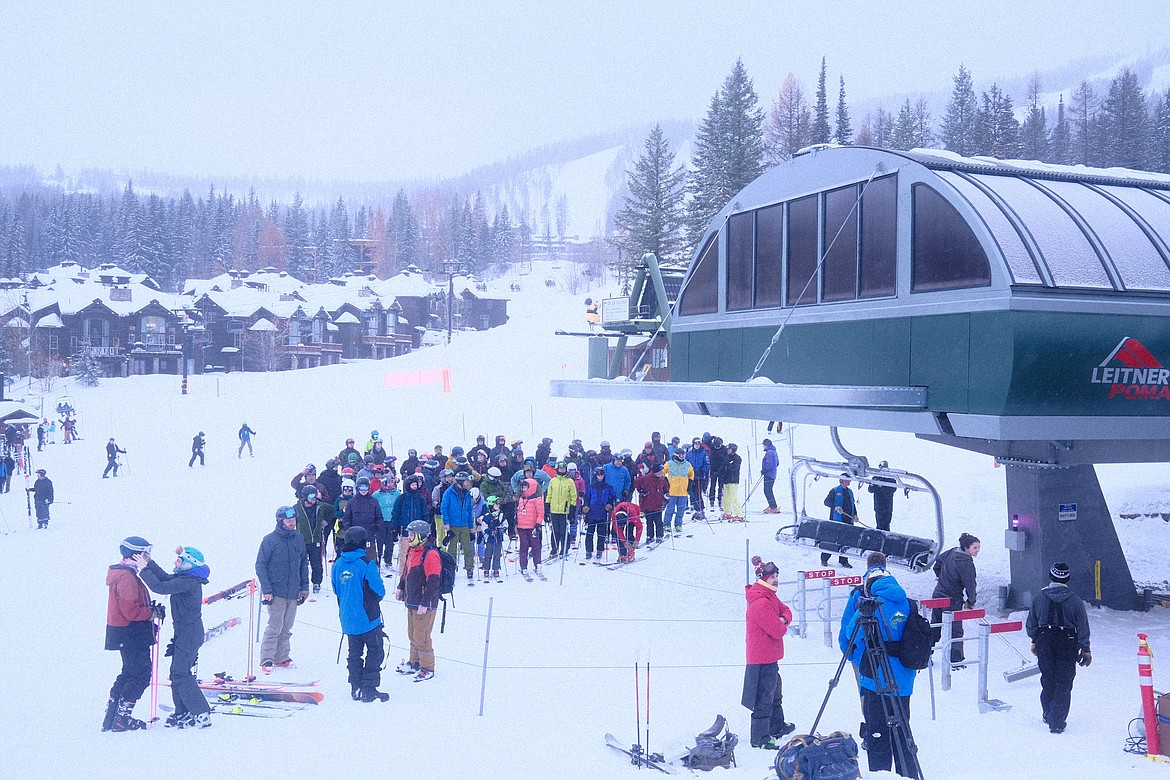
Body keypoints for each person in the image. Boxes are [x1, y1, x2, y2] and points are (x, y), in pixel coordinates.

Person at [839, 552, 919, 777]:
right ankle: (907, 774)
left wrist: (860, 660)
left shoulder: (865, 600)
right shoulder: (906, 601)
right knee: (903, 731)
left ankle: (881, 774)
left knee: (877, 732)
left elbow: (848, 635)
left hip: (875, 676)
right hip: (903, 678)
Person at [138, 545, 212, 728]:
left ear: (188, 564)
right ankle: (183, 712)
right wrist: (149, 562)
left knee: (180, 673)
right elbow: (164, 578)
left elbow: (160, 587)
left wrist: (143, 569)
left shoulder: (189, 582)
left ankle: (201, 713)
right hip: (185, 632)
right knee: (177, 673)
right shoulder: (185, 578)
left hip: (189, 632)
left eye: (179, 561)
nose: (175, 563)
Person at [1026, 562, 1092, 734]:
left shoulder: (1039, 597)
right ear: (1067, 579)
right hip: (1067, 641)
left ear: (1050, 577)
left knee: (1048, 678)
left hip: (1044, 640)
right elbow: (1083, 626)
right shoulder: (1075, 600)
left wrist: (1034, 640)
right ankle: (1057, 721)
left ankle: (1048, 712)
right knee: (1064, 681)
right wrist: (1086, 649)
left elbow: (1032, 622)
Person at [103, 536, 157, 732]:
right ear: (135, 554)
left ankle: (112, 715)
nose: (148, 556)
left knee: (130, 672)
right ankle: (122, 717)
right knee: (141, 674)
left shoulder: (127, 573)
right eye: (145, 553)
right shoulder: (127, 577)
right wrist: (151, 613)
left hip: (127, 632)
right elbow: (130, 611)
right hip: (130, 633)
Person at [333, 526, 389, 702]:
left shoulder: (337, 564)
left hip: (347, 618)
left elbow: (336, 589)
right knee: (375, 651)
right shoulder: (366, 563)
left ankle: (355, 687)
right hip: (368, 618)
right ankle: (368, 688)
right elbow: (379, 590)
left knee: (354, 653)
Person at [742, 561, 795, 749]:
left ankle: (776, 726)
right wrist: (781, 621)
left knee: (775, 693)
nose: (776, 580)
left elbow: (787, 611)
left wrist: (782, 618)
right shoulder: (760, 603)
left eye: (777, 576)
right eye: (773, 577)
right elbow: (778, 630)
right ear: (764, 579)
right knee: (763, 698)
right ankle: (760, 737)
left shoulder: (770, 597)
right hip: (761, 658)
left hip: (770, 656)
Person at [255, 506, 309, 673]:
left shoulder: (299, 539)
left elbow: (303, 565)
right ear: (280, 522)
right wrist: (267, 589)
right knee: (274, 627)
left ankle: (282, 657)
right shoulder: (269, 540)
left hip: (293, 591)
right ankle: (267, 659)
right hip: (276, 591)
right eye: (289, 520)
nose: (292, 522)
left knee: (287, 627)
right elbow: (260, 566)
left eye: (294, 519)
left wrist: (304, 587)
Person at [396, 519, 441, 681]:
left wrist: (425, 602)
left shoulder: (431, 554)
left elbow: (434, 581)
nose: (408, 537)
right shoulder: (412, 550)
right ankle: (414, 662)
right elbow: (406, 572)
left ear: (420, 536)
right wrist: (401, 587)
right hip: (412, 600)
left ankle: (427, 667)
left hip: (424, 604)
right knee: (412, 634)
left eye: (411, 534)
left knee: (422, 637)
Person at [931, 532, 980, 665]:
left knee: (935, 625)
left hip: (937, 595)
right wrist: (971, 601)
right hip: (952, 599)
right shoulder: (966, 562)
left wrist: (940, 576)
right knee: (955, 629)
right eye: (975, 548)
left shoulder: (952, 552)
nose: (977, 551)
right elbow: (970, 584)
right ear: (966, 547)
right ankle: (956, 658)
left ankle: (926, 654)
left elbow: (938, 562)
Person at [295, 485, 334, 594]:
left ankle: (316, 583)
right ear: (305, 496)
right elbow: (286, 517)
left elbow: (332, 510)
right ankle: (301, 584)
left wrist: (325, 521)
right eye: (312, 495)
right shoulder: (296, 508)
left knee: (316, 563)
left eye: (315, 495)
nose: (314, 498)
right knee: (301, 564)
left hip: (316, 540)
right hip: (302, 541)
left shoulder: (320, 506)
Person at [441, 471, 478, 582]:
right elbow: (444, 508)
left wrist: (471, 525)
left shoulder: (467, 493)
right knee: (452, 548)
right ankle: (451, 568)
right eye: (466, 481)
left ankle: (469, 568)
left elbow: (469, 510)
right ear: (461, 481)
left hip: (465, 525)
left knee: (468, 548)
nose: (468, 483)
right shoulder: (449, 492)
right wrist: (446, 522)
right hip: (453, 525)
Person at [581, 466, 617, 561]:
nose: (600, 477)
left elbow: (612, 498)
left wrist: (609, 505)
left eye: (602, 475)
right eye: (598, 475)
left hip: (603, 513)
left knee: (601, 533)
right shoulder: (591, 486)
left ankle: (600, 550)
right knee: (590, 533)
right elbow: (587, 498)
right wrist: (585, 506)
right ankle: (588, 550)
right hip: (592, 513)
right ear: (595, 475)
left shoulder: (608, 487)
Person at [821, 474, 857, 568]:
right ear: (842, 481)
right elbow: (826, 502)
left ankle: (843, 560)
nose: (849, 482)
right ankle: (824, 558)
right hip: (836, 519)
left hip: (848, 519)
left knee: (845, 541)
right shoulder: (835, 490)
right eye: (848, 480)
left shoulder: (850, 491)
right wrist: (835, 507)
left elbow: (852, 504)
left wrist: (855, 515)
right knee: (832, 540)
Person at [516, 476, 545, 576]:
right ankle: (523, 566)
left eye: (525, 487)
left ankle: (538, 564)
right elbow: (519, 510)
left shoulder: (537, 498)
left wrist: (538, 524)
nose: (523, 489)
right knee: (523, 546)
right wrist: (516, 522)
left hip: (532, 527)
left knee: (535, 546)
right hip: (522, 526)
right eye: (522, 487)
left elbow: (540, 513)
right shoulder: (522, 498)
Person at [634, 461, 668, 545]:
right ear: (656, 471)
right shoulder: (646, 478)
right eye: (660, 471)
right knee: (649, 521)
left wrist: (667, 494)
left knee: (658, 521)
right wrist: (641, 490)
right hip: (647, 504)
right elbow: (636, 483)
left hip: (658, 504)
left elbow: (666, 487)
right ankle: (650, 536)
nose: (661, 473)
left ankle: (659, 535)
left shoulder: (662, 478)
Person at [546, 462, 575, 558]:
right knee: (555, 530)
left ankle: (564, 548)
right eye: (560, 468)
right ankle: (554, 548)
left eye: (563, 468)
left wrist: (572, 511)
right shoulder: (553, 481)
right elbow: (549, 495)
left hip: (564, 510)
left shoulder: (570, 481)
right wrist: (547, 508)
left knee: (563, 530)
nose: (561, 470)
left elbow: (573, 497)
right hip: (554, 510)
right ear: (557, 469)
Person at [663, 448, 693, 535]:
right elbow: (662, 472)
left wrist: (690, 485)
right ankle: (667, 524)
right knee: (670, 509)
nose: (682, 457)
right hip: (672, 491)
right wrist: (665, 484)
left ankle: (678, 524)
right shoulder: (669, 464)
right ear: (676, 455)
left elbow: (691, 475)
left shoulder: (687, 464)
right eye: (681, 455)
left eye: (684, 455)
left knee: (681, 509)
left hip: (683, 492)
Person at [481, 496, 506, 581]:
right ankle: (486, 568)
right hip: (490, 539)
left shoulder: (501, 515)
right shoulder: (487, 516)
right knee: (488, 553)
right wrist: (489, 531)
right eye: (496, 504)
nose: (498, 505)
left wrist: (502, 529)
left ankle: (496, 568)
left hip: (498, 538)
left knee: (497, 554)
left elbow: (505, 523)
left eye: (498, 504)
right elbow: (483, 526)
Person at [868, 460, 897, 531]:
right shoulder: (876, 477)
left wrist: (882, 487)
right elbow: (870, 490)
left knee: (886, 524)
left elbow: (893, 489)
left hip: (887, 506)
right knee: (880, 524)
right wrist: (876, 486)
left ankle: (886, 537)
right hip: (879, 506)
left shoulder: (891, 478)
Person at [685, 438, 709, 518]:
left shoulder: (703, 453)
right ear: (693, 444)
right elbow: (686, 464)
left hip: (700, 477)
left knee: (698, 493)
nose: (697, 445)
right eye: (696, 444)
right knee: (691, 493)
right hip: (691, 477)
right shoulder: (689, 454)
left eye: (698, 444)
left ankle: (701, 509)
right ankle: (696, 509)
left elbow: (707, 464)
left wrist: (702, 470)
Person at [721, 443, 744, 521]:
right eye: (727, 449)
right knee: (725, 498)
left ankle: (739, 514)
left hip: (733, 481)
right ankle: (728, 512)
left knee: (733, 498)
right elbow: (723, 467)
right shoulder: (726, 457)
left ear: (733, 449)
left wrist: (727, 463)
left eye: (729, 449)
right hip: (725, 480)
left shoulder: (737, 458)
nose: (728, 450)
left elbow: (734, 468)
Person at [760, 439, 779, 513]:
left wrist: (765, 470)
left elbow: (769, 463)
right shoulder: (774, 451)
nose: (763, 447)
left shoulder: (769, 452)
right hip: (773, 474)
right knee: (769, 490)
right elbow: (777, 463)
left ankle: (773, 506)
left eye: (764, 445)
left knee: (767, 490)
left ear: (766, 445)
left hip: (769, 474)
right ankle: (772, 505)